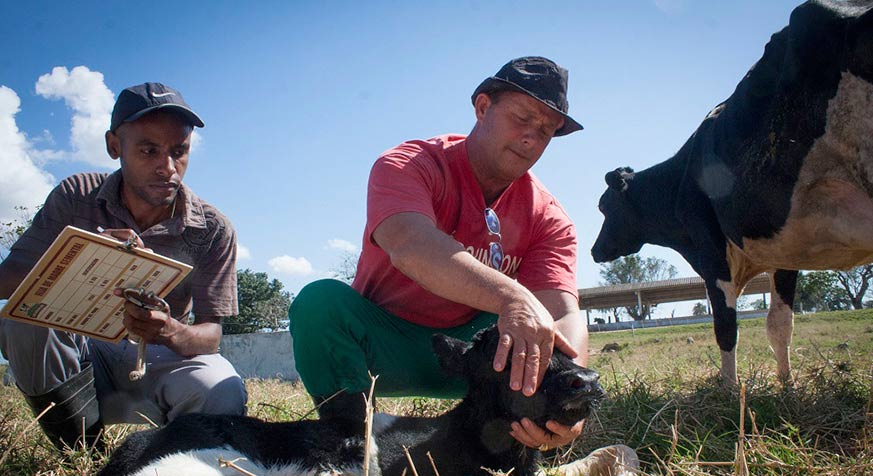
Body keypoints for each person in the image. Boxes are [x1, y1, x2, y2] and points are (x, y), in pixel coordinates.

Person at [290, 56, 588, 450]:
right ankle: (350, 444)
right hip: (385, 342)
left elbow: (563, 313)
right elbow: (409, 245)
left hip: (476, 352)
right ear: (483, 107)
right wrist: (513, 296)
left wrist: (573, 394)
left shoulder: (548, 216)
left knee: (539, 326)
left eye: (546, 131)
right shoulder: (410, 164)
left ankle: (508, 447)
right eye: (522, 118)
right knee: (319, 303)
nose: (531, 138)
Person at [0, 83, 246, 450]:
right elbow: (8, 281)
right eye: (149, 150)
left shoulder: (212, 228)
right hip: (82, 355)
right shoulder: (77, 195)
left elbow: (211, 334)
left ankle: (174, 464)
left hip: (159, 357)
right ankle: (81, 450)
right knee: (23, 319)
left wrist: (171, 331)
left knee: (221, 390)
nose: (168, 168)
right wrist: (83, 253)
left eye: (179, 151)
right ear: (114, 146)